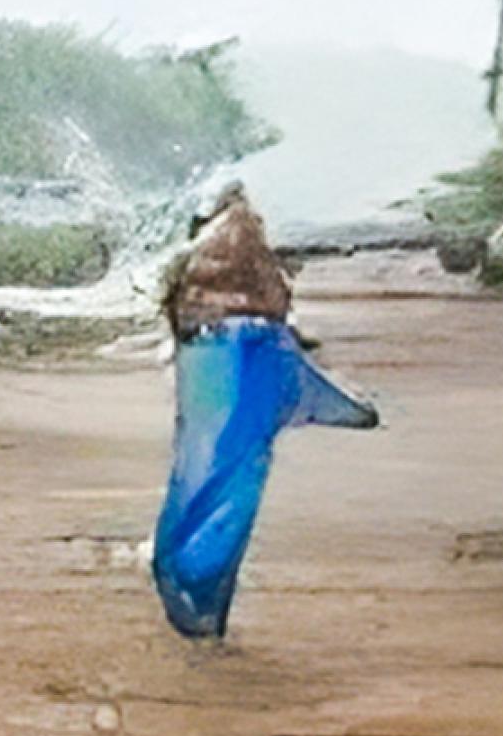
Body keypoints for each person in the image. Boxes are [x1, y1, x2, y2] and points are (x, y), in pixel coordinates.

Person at [152, 184, 380, 639]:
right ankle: (204, 632)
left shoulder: (200, 261)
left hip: (207, 347)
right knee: (223, 500)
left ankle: (199, 633)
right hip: (252, 346)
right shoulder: (270, 333)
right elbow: (347, 409)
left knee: (200, 486)